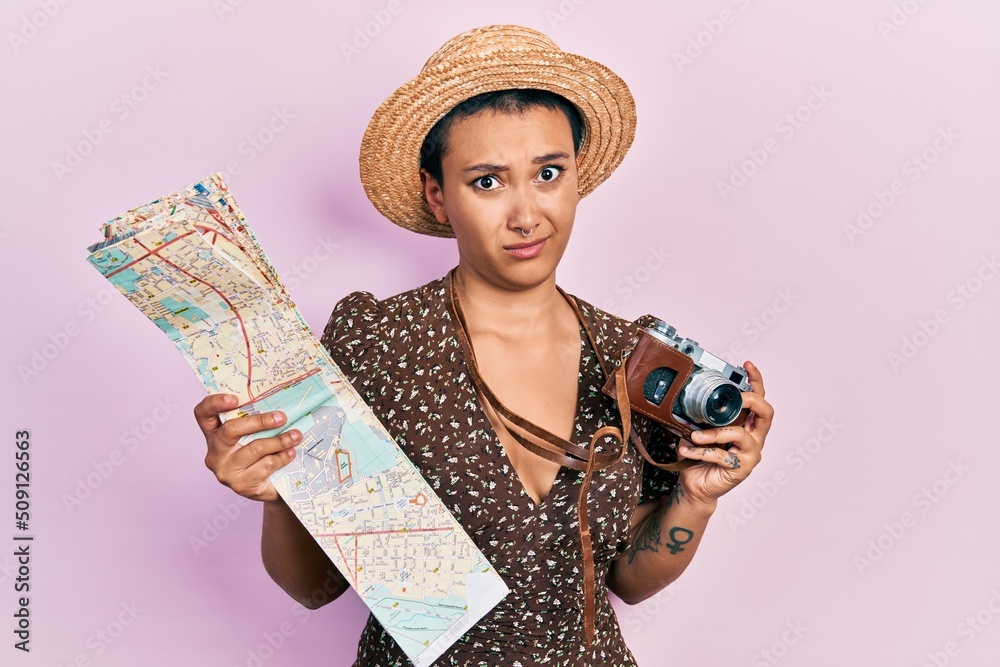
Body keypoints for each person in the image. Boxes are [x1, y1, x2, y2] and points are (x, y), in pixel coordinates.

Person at [196, 24, 773, 666]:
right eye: (488, 182)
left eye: (548, 173)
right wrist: (278, 494)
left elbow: (627, 583)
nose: (527, 215)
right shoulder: (379, 343)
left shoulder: (633, 359)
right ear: (437, 195)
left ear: (577, 177)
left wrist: (695, 497)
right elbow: (314, 588)